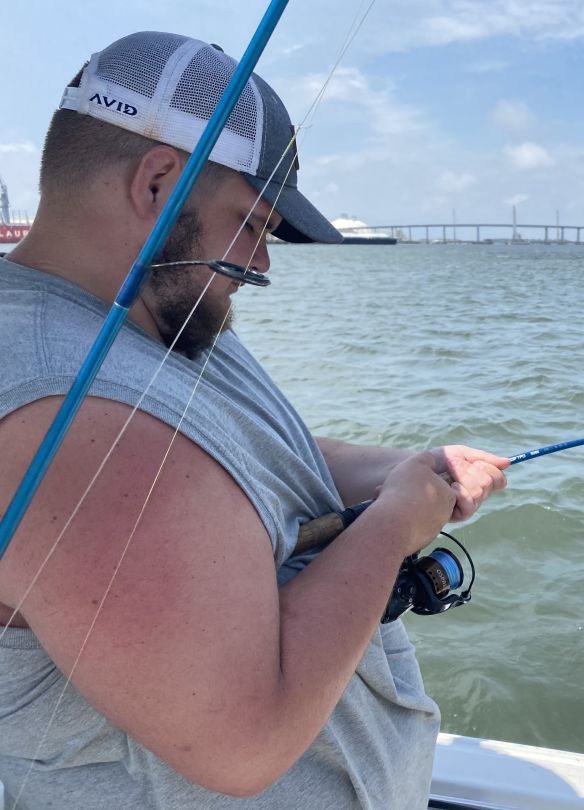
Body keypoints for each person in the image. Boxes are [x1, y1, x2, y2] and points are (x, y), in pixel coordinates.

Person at [0, 31, 507, 808]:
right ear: (160, 181)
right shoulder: (68, 415)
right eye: (253, 225)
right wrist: (395, 524)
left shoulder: (155, 311)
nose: (264, 265)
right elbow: (242, 740)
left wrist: (406, 468)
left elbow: (244, 460)